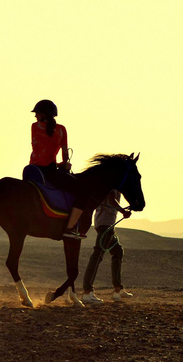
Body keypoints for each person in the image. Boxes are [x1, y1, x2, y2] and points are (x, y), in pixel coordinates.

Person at [29, 99, 91, 239]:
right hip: (49, 171)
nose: (35, 116)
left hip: (32, 169)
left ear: (44, 114)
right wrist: (64, 164)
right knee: (82, 192)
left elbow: (38, 147)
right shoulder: (61, 130)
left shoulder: (34, 127)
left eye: (37, 113)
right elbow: (64, 154)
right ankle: (69, 228)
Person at [82, 190, 133, 303]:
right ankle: (87, 292)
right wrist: (122, 211)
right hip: (105, 224)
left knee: (117, 251)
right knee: (98, 255)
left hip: (103, 223)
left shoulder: (110, 181)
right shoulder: (111, 181)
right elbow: (111, 199)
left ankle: (117, 290)